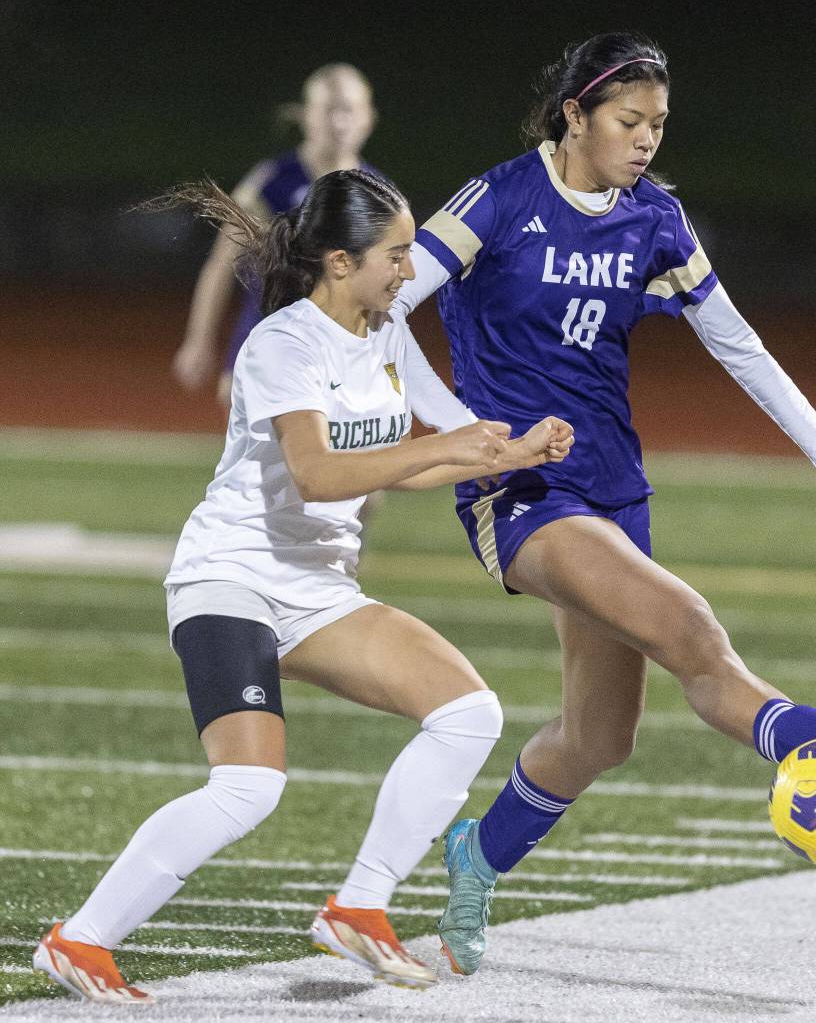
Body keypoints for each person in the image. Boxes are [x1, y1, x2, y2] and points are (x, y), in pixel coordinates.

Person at [391, 30, 816, 976]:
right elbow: (385, 309)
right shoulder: (500, 199)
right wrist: (467, 437)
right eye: (629, 122)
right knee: (687, 625)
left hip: (613, 486)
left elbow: (739, 344)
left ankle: (479, 855)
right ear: (575, 116)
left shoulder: (655, 221)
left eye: (659, 125)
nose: (645, 141)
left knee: (603, 735)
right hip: (520, 492)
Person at [32, 169, 574, 1002]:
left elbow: (453, 435)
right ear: (338, 260)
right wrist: (443, 452)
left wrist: (519, 448)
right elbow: (319, 475)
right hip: (232, 576)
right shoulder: (284, 342)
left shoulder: (386, 331)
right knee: (249, 785)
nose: (409, 271)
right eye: (395, 255)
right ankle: (80, 940)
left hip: (319, 586)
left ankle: (360, 905)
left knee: (469, 712)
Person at [172, 63, 382, 408]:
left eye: (349, 110)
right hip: (265, 337)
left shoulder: (379, 192)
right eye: (329, 110)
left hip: (340, 350)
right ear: (306, 115)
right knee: (259, 454)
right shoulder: (272, 182)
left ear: (368, 117)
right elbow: (221, 264)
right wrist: (199, 339)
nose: (339, 122)